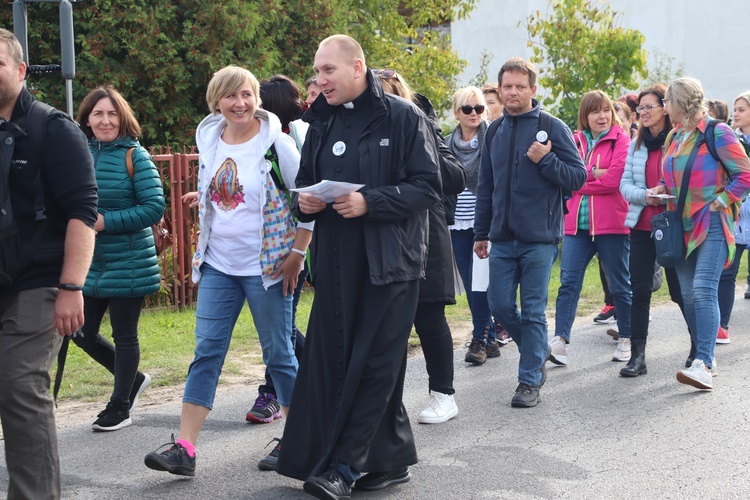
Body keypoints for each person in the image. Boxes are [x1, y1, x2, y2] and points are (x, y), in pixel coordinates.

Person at [275, 35, 440, 499]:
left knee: (375, 362)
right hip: (336, 264)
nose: (319, 80)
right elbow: (306, 184)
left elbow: (429, 187)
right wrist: (304, 201)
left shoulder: (404, 117)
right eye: (317, 71)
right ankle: (387, 457)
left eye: (328, 70)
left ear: (357, 67)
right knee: (335, 362)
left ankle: (345, 467)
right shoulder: (320, 121)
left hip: (391, 263)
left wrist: (372, 201)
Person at [144, 65, 310, 476]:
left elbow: (306, 201)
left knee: (279, 354)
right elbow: (227, 190)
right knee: (207, 352)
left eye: (247, 95)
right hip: (218, 264)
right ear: (216, 101)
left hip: (268, 267)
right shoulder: (211, 139)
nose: (240, 103)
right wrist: (204, 195)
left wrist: (297, 253)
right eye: (230, 96)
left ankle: (302, 441)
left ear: (257, 98)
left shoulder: (278, 145)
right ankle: (184, 448)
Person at [0, 28, 98, 499]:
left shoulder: (53, 128)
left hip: (38, 282)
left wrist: (71, 287)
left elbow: (83, 211)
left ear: (20, 71)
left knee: (18, 388)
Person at [474, 57, 586, 408]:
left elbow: (578, 176)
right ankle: (537, 353)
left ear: (533, 90)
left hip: (540, 237)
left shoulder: (552, 127)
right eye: (507, 86)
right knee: (500, 305)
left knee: (534, 310)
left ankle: (528, 382)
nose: (512, 92)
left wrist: (546, 160)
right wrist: (482, 231)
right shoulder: (494, 130)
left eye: (520, 86)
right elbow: (485, 185)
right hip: (503, 238)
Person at [376, 68, 466, 424]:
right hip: (385, 236)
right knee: (387, 323)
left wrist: (422, 150)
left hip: (426, 234)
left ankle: (443, 395)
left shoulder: (423, 125)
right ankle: (385, 402)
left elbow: (456, 176)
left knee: (429, 317)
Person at [71, 86, 164, 431]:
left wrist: (105, 221)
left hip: (129, 261)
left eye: (112, 113)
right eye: (98, 114)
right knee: (80, 333)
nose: (105, 120)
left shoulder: (135, 156)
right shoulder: (78, 154)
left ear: (122, 118)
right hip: (89, 261)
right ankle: (135, 380)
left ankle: (120, 404)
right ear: (87, 119)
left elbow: (154, 208)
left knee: (125, 335)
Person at [650, 77, 750, 390]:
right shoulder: (674, 137)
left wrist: (723, 201)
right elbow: (673, 176)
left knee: (705, 288)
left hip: (713, 223)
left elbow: (744, 174)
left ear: (680, 103)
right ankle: (705, 355)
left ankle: (704, 362)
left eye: (666, 101)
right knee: (690, 295)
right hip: (681, 225)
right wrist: (662, 189)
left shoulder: (716, 132)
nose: (664, 108)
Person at [547, 90, 632, 365]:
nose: (602, 116)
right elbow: (561, 177)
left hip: (612, 225)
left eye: (606, 110)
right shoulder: (574, 140)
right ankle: (560, 341)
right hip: (576, 226)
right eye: (595, 111)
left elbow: (614, 180)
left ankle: (627, 338)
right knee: (568, 284)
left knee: (619, 285)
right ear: (585, 116)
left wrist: (579, 177)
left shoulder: (622, 140)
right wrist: (592, 173)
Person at [246, 75, 311, 429]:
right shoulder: (250, 142)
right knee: (282, 329)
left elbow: (304, 197)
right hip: (268, 251)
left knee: (279, 331)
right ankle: (318, 371)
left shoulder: (287, 141)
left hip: (289, 249)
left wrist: (298, 252)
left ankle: (272, 395)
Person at [619, 83, 695, 377]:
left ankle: (698, 348)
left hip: (673, 224)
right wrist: (645, 196)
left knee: (680, 291)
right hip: (641, 224)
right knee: (639, 290)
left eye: (650, 106)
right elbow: (624, 185)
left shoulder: (679, 141)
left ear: (666, 108)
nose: (644, 112)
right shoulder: (635, 144)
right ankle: (637, 357)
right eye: (640, 108)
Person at [445, 86, 503, 365]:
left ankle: (480, 337)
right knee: (470, 283)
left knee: (482, 283)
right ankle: (488, 338)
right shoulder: (446, 143)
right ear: (457, 112)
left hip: (486, 221)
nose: (474, 113)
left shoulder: (494, 137)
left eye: (479, 108)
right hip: (458, 222)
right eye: (467, 109)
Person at [715, 91, 750, 343]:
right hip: (736, 217)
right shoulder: (729, 140)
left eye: (741, 109)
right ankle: (721, 326)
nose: (735, 114)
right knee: (727, 272)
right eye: (735, 109)